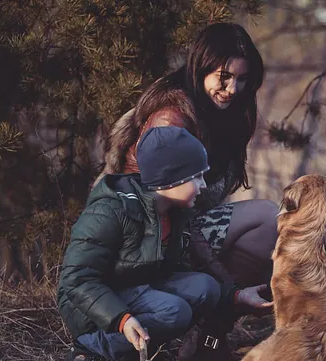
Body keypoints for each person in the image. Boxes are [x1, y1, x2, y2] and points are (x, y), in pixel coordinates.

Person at [96, 22, 278, 359]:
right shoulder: (171, 118)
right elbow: (154, 211)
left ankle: (207, 341)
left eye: (241, 79)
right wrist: (232, 289)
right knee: (266, 219)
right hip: (147, 237)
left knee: (272, 224)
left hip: (187, 223)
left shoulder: (228, 112)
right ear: (200, 67)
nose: (232, 88)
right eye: (223, 76)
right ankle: (193, 335)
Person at [58, 126, 220, 361]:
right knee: (175, 312)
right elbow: (76, 279)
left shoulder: (173, 212)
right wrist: (121, 318)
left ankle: (144, 348)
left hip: (136, 286)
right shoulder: (111, 210)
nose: (204, 185)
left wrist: (233, 295)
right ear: (170, 179)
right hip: (91, 305)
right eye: (197, 176)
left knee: (206, 288)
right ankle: (90, 349)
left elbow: (176, 269)